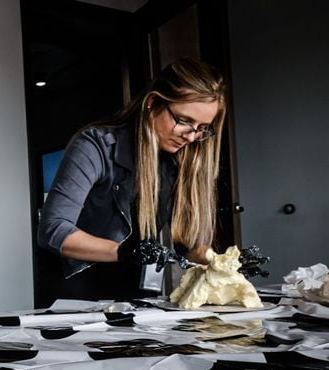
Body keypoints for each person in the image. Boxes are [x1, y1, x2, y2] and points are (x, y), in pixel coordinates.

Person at [38, 57, 267, 301]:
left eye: (201, 127)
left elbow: (191, 249)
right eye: (184, 121)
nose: (191, 137)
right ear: (153, 103)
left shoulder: (184, 159)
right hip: (76, 285)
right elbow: (53, 230)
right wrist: (125, 252)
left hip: (135, 286)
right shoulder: (95, 146)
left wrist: (226, 263)